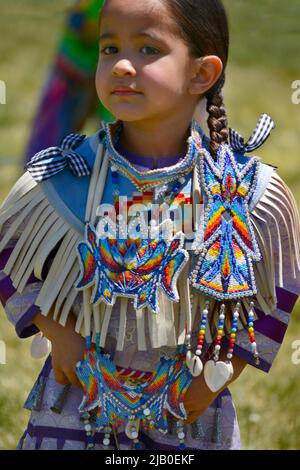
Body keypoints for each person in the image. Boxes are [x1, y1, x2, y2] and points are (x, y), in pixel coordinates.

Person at [1, 0, 300, 451]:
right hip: (73, 409)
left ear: (202, 73)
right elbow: (9, 254)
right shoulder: (66, 175)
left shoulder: (242, 192)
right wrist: (57, 332)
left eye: (147, 49)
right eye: (109, 49)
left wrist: (216, 379)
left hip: (189, 417)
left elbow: (271, 295)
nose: (121, 65)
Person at [24, 0, 114, 164]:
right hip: (73, 71)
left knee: (117, 149)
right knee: (47, 151)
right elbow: (82, 24)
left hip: (113, 73)